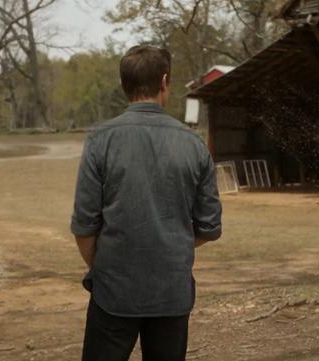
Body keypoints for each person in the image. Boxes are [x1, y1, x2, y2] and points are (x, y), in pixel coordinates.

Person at [70, 45, 223, 361]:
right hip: (172, 290)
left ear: (124, 85)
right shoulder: (194, 145)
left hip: (113, 288)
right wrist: (168, 247)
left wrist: (104, 265)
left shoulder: (101, 140)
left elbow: (85, 225)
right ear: (165, 82)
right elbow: (209, 227)